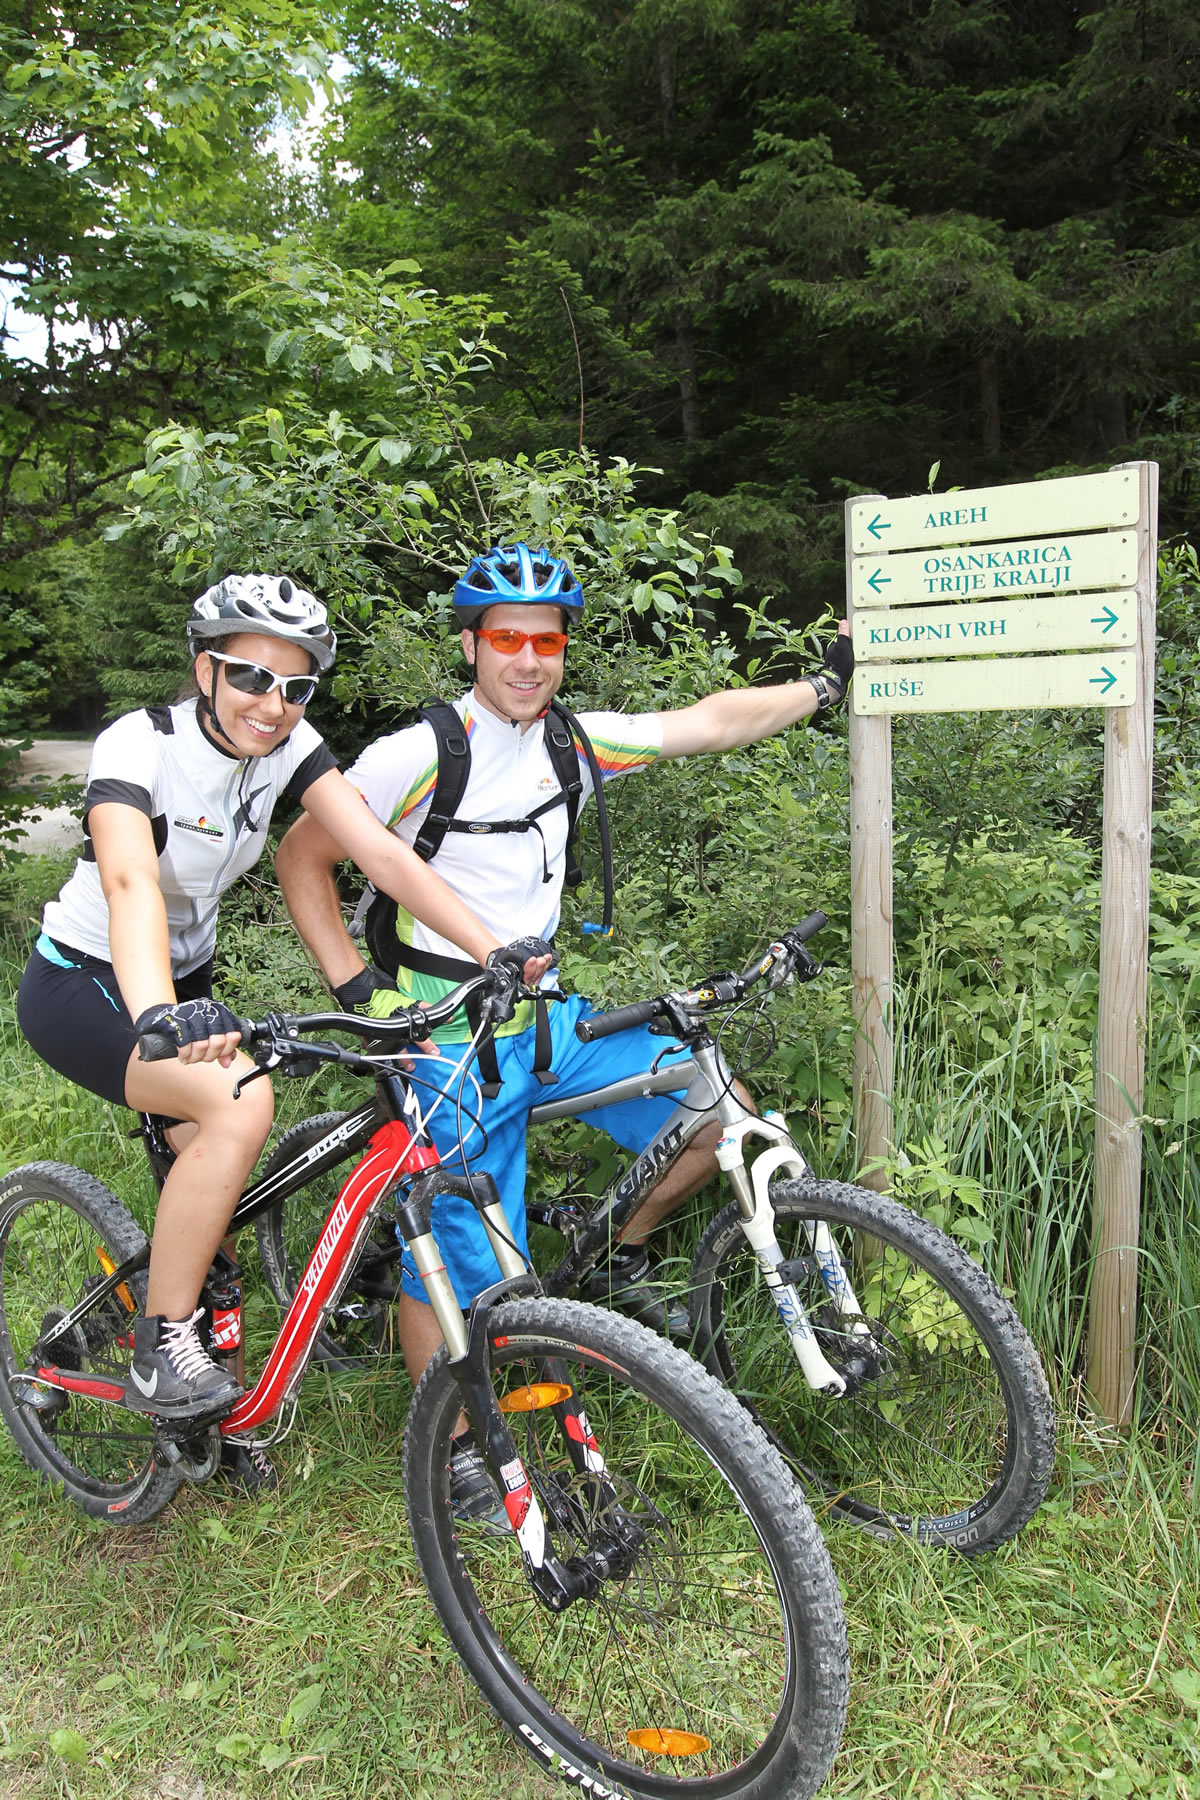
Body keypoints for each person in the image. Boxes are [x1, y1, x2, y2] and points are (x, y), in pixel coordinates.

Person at [274, 542, 854, 1515]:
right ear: (470, 645)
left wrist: (824, 687)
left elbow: (709, 724)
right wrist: (360, 986)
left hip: (546, 1018)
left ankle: (612, 1248)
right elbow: (304, 857)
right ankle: (451, 1440)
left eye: (547, 639)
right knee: (455, 1245)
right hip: (443, 1027)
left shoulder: (571, 743)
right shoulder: (416, 753)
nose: (529, 659)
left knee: (721, 1116)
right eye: (507, 638)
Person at [16, 573, 541, 1490]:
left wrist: (493, 949)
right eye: (251, 678)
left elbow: (377, 850)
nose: (273, 705)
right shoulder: (143, 742)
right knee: (237, 1109)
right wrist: (158, 1020)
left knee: (214, 1199)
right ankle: (156, 1347)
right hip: (90, 979)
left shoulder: (288, 745)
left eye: (296, 687)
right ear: (203, 668)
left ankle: (207, 1420)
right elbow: (131, 884)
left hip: (189, 982)